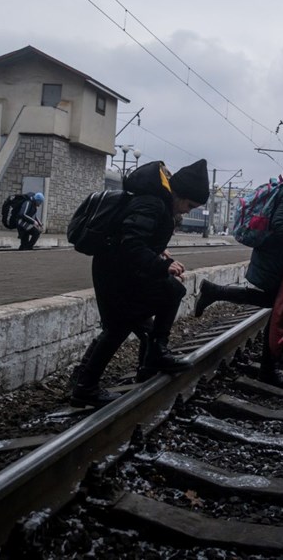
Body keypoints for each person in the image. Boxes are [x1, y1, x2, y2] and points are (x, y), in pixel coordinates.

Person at [70, 159, 210, 407]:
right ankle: (86, 387)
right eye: (189, 205)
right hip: (116, 273)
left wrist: (158, 254)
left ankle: (141, 366)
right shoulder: (153, 204)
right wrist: (162, 265)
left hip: (121, 270)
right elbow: (130, 243)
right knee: (123, 324)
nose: (188, 211)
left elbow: (136, 240)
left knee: (141, 319)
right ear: (179, 194)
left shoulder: (158, 203)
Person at [193, 140, 283, 388]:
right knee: (281, 310)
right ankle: (269, 369)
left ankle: (214, 292)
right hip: (278, 257)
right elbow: (281, 223)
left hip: (274, 255)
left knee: (277, 306)